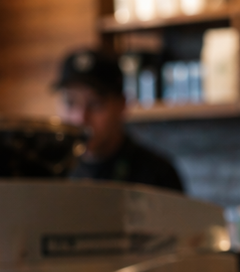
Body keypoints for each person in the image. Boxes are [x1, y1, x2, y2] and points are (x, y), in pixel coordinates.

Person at [54, 48, 185, 192]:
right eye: (70, 103)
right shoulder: (53, 170)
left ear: (122, 104)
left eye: (95, 104)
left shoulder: (157, 174)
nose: (80, 118)